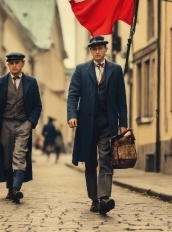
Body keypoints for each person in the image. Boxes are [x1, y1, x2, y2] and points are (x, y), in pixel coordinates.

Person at [67, 35, 128, 215]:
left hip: (107, 122)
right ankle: (94, 198)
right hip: (86, 123)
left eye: (100, 48)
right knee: (90, 161)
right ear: (90, 51)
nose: (97, 51)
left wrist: (122, 123)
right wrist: (72, 115)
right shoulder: (81, 70)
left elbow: (121, 98)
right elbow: (73, 95)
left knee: (106, 158)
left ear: (105, 50)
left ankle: (104, 197)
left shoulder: (116, 70)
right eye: (94, 49)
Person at [0, 52, 42, 203]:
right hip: (4, 124)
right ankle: (11, 188)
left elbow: (37, 105)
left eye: (17, 62)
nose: (14, 65)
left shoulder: (31, 82)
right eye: (11, 63)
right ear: (8, 65)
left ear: (23, 63)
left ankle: (17, 188)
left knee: (19, 155)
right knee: (7, 158)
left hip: (23, 123)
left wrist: (30, 122)